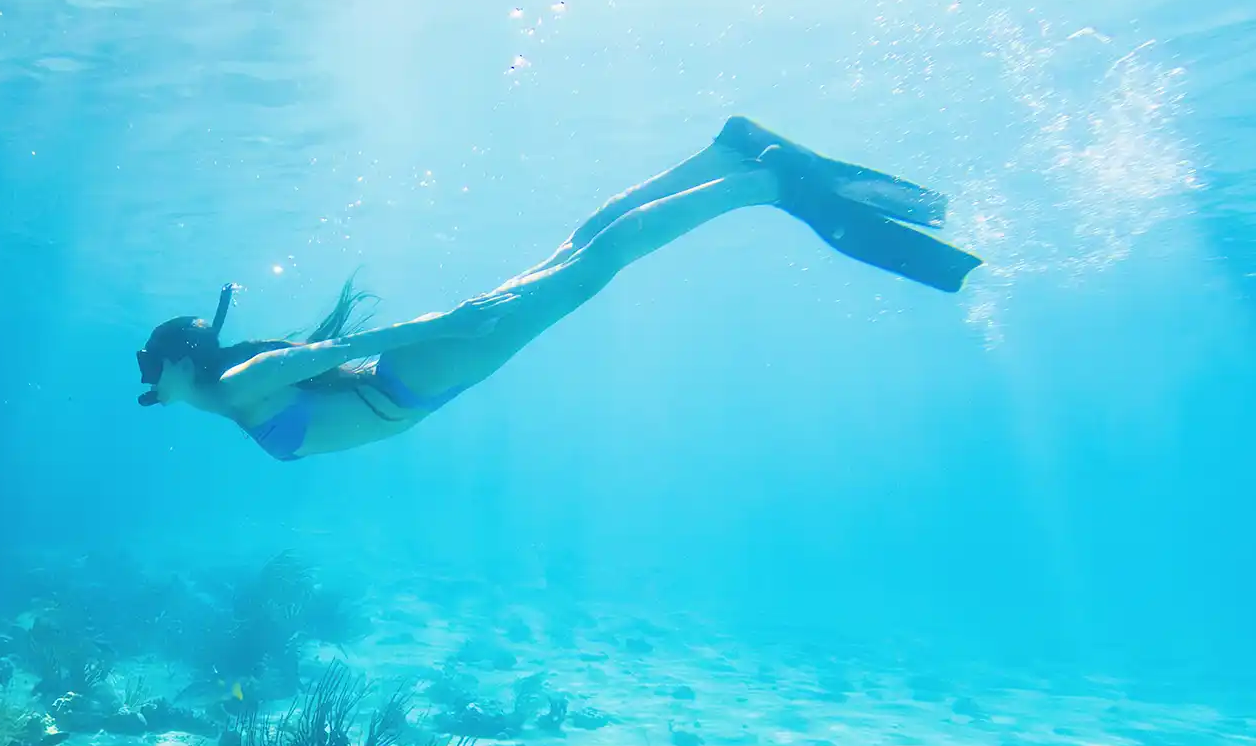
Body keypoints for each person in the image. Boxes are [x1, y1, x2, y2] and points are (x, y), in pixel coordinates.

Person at [134, 117, 981, 462]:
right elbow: (328, 358)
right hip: (414, 374)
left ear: (177, 361)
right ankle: (723, 157)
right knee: (579, 250)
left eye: (149, 364)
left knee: (593, 266)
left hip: (419, 373)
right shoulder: (222, 392)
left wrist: (457, 321)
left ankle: (756, 186)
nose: (147, 379)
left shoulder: (235, 385)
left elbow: (333, 351)